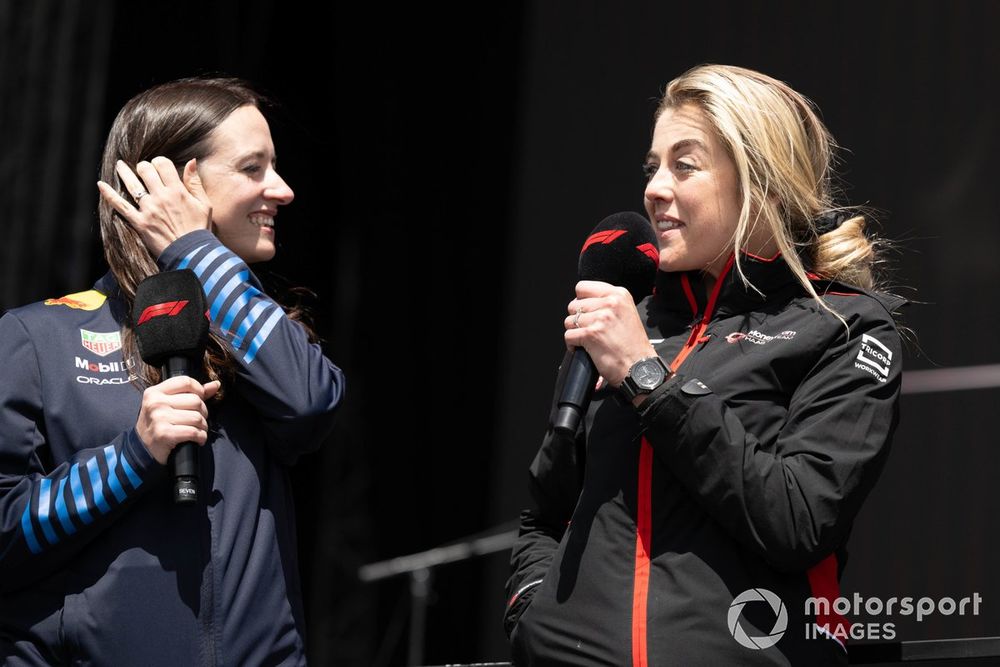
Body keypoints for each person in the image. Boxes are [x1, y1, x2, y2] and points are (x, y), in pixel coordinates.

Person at [505, 64, 904, 665]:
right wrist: (532, 611)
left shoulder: (845, 328)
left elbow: (797, 520)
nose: (654, 189)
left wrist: (647, 380)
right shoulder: (633, 324)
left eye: (683, 165)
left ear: (762, 181)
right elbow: (546, 513)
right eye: (652, 166)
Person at [0, 77, 345, 665]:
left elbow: (311, 402)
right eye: (253, 168)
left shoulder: (255, 335)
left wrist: (192, 249)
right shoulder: (38, 337)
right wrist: (133, 455)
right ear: (179, 181)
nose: (282, 190)